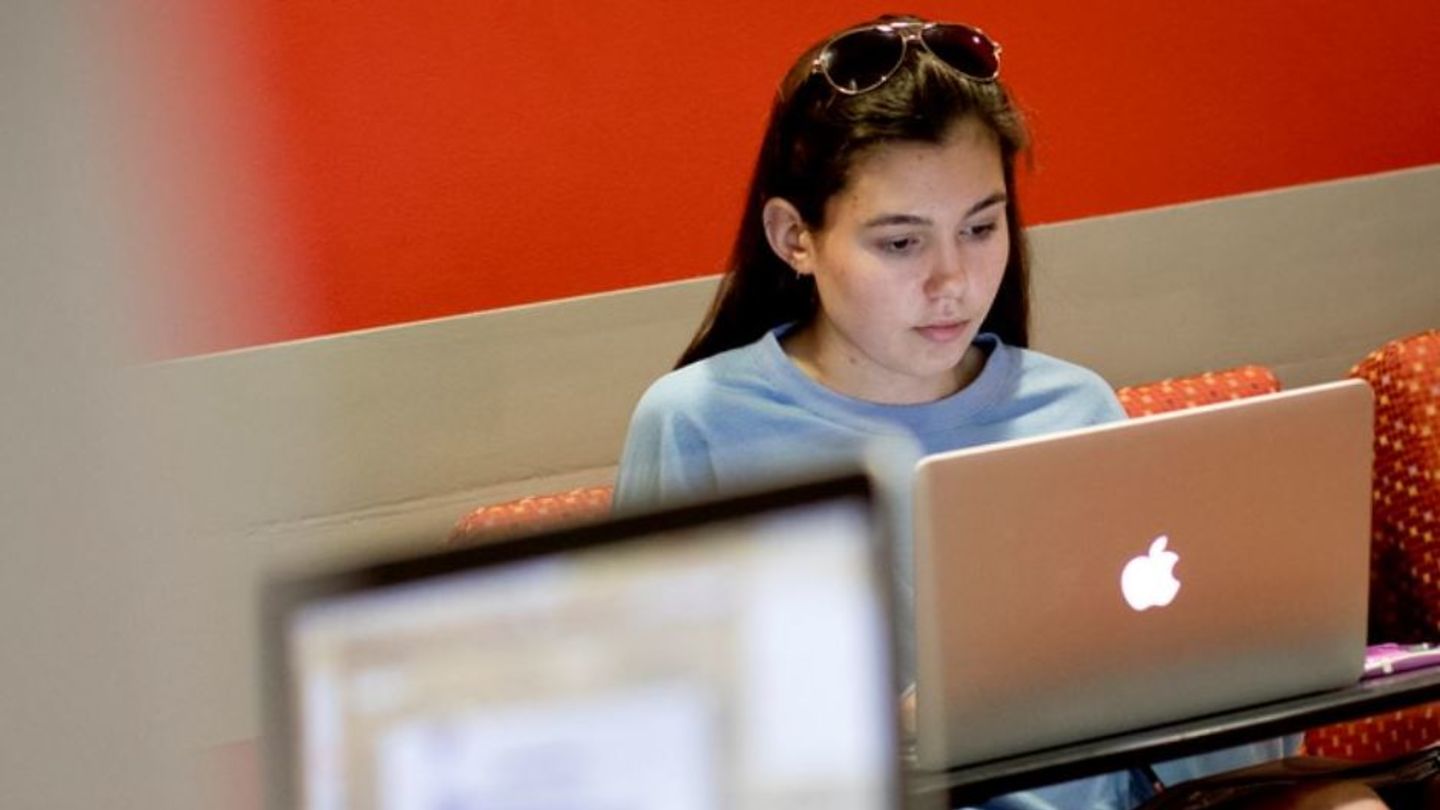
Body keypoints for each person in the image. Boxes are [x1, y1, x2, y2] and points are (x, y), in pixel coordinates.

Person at [613, 15, 1387, 810]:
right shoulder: (700, 424)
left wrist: (1249, 675)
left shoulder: (1072, 403)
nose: (953, 279)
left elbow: (1175, 730)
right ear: (794, 238)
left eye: (981, 228)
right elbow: (642, 743)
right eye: (901, 244)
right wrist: (896, 732)